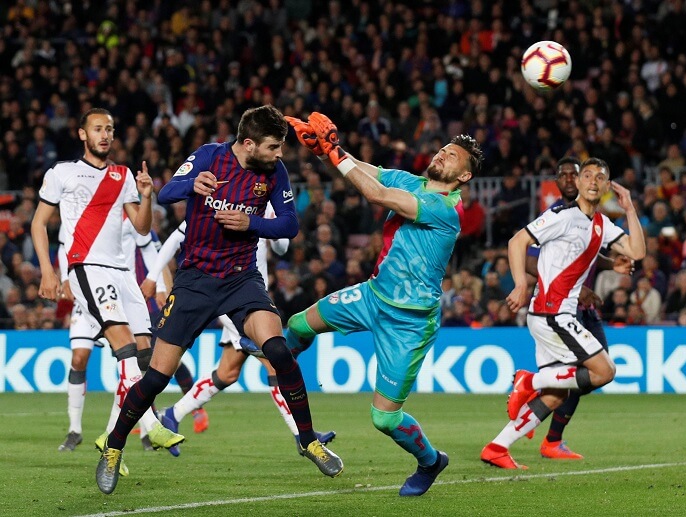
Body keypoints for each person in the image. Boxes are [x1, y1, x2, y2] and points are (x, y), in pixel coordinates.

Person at [95, 105, 342, 495]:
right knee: (157, 376)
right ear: (248, 143)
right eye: (273, 147)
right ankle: (113, 446)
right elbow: (167, 191)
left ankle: (308, 440)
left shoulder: (273, 172)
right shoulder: (210, 155)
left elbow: (290, 224)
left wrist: (252, 223)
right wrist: (192, 184)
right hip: (195, 280)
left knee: (278, 350)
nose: (280, 155)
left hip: (242, 279)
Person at [284, 111, 483, 496]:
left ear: (464, 177)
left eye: (453, 156)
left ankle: (431, 461)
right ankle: (279, 367)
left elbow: (374, 194)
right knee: (296, 325)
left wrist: (335, 152)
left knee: (384, 419)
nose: (442, 155)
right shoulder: (413, 181)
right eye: (443, 149)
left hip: (409, 321)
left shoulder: (447, 211)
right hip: (373, 295)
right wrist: (327, 153)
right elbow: (367, 171)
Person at [31, 108, 183, 470]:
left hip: (122, 271)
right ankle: (150, 423)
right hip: (86, 267)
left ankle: (110, 436)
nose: (105, 134)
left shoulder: (124, 174)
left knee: (146, 355)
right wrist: (48, 272)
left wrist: (146, 196)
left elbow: (143, 230)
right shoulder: (62, 173)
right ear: (83, 134)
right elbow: (39, 223)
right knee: (124, 345)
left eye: (110, 129)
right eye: (98, 129)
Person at [480, 157, 645, 469]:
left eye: (601, 176)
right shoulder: (563, 216)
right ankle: (529, 382)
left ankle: (497, 447)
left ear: (608, 187)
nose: (593, 180)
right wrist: (519, 285)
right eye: (588, 175)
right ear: (579, 184)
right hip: (553, 314)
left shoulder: (601, 224)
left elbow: (637, 252)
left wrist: (629, 208)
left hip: (555, 316)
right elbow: (518, 241)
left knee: (557, 394)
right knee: (604, 371)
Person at [141, 214, 336, 455]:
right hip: (226, 296)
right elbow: (175, 238)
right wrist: (153, 277)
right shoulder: (223, 201)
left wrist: (273, 222)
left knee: (228, 373)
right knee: (276, 363)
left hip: (252, 298)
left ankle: (172, 414)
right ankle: (301, 434)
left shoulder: (264, 203)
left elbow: (281, 247)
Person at [522, 157, 633, 460]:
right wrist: (581, 288)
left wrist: (613, 262)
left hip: (583, 310)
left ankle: (545, 423)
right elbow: (532, 259)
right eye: (564, 174)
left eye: (576, 173)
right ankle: (544, 423)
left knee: (593, 373)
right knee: (587, 372)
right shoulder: (556, 213)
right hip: (558, 306)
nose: (570, 178)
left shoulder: (594, 216)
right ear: (557, 182)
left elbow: (589, 249)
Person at [56, 213, 169, 454]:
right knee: (79, 357)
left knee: (136, 359)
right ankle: (75, 430)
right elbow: (63, 246)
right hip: (86, 288)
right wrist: (65, 279)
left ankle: (141, 429)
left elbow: (149, 248)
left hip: (119, 289)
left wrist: (159, 285)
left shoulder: (129, 209)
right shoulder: (76, 208)